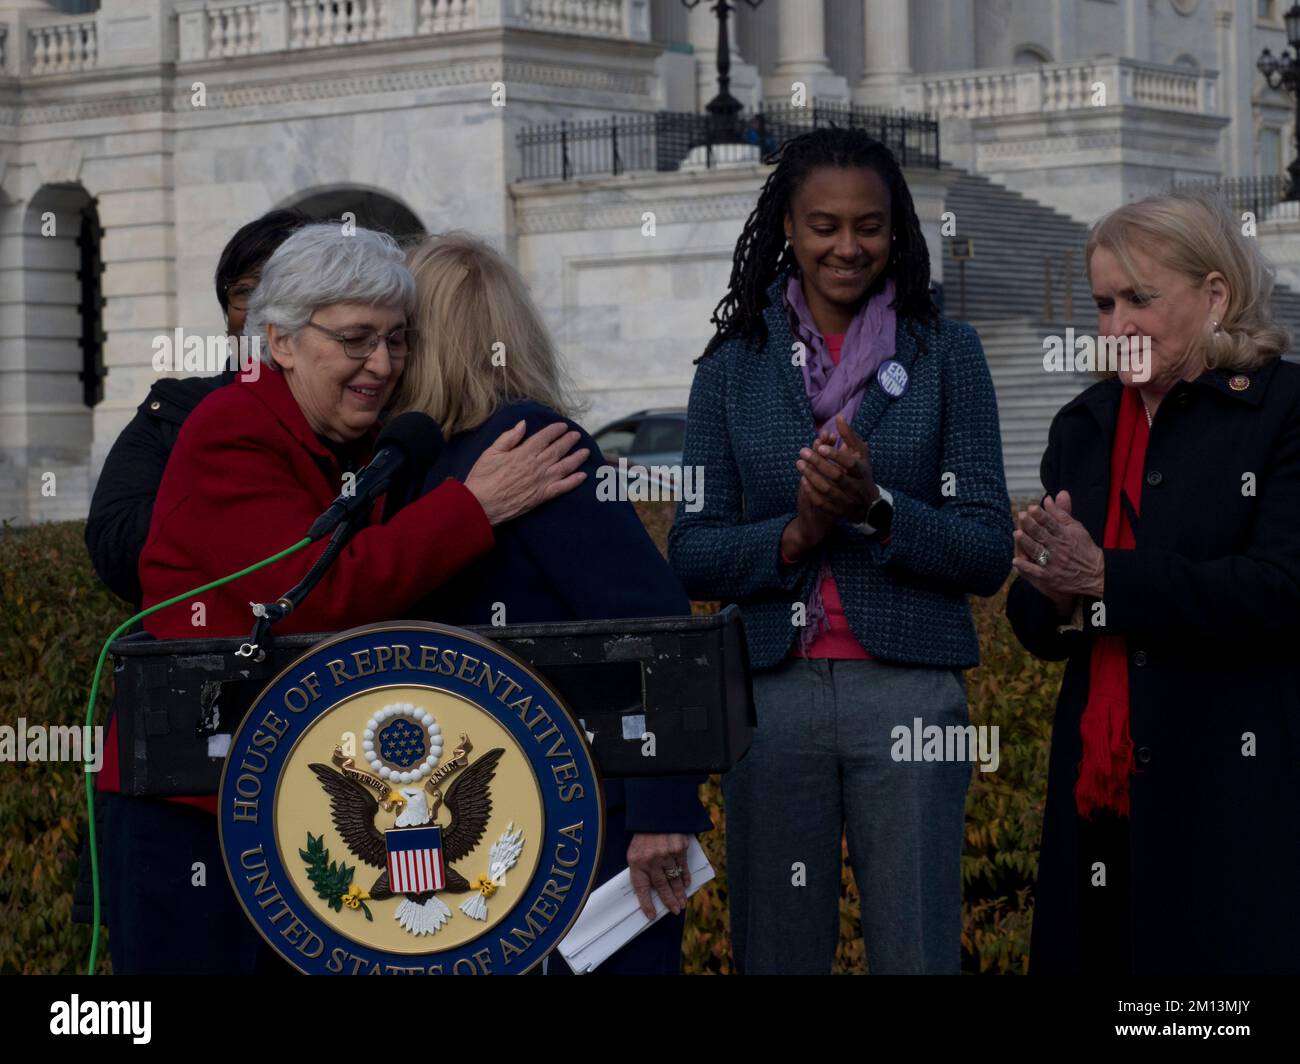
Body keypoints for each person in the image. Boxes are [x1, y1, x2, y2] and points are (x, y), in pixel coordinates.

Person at [97, 224, 589, 974]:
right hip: (191, 805)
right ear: (282, 340)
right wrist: (472, 507)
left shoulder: (349, 433)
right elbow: (315, 594)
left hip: (281, 796)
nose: (384, 365)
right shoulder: (233, 428)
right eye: (358, 340)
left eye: (397, 340)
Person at [667, 127, 1013, 974]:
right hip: (772, 698)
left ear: (897, 231)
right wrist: (796, 533)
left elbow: (987, 549)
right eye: (824, 226)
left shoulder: (948, 357)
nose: (847, 246)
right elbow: (691, 550)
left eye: (869, 226)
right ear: (787, 225)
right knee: (777, 952)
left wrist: (879, 509)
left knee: (919, 949)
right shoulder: (730, 370)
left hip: (910, 693)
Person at [390, 231, 712, 975]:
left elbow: (655, 622)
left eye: (398, 332)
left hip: (585, 830)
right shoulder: (422, 459)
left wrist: (662, 812)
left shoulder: (530, 445)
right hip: (492, 819)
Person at [1005, 192, 1300, 975]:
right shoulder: (1084, 423)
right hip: (1101, 798)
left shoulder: (1285, 410)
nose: (1116, 327)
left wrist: (1105, 576)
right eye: (1103, 304)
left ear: (1215, 296)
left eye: (1140, 298)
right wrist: (1053, 588)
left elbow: (1281, 589)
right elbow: (1035, 623)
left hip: (1235, 788)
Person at [85, 208, 311, 608]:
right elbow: (114, 547)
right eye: (246, 292)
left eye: (287, 291)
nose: (263, 310)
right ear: (226, 312)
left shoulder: (367, 419)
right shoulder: (172, 411)